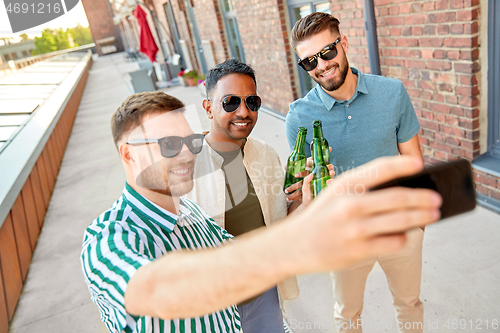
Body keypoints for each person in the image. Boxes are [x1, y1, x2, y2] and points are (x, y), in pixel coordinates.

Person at [81, 91, 441, 333]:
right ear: (128, 154)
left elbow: (252, 251)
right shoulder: (108, 239)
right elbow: (160, 290)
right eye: (170, 145)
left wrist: (316, 205)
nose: (188, 154)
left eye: (191, 142)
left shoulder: (189, 213)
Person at [286, 12, 425, 333]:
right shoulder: (299, 118)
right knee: (347, 316)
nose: (321, 66)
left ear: (343, 44)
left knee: (409, 304)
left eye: (327, 52)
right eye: (309, 62)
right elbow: (299, 192)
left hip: (398, 226)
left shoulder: (392, 93)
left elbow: (414, 163)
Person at [185, 58, 305, 333]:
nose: (243, 111)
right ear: (208, 108)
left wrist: (300, 197)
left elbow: (276, 220)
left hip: (264, 294)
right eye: (230, 102)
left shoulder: (264, 153)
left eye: (252, 102)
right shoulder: (186, 166)